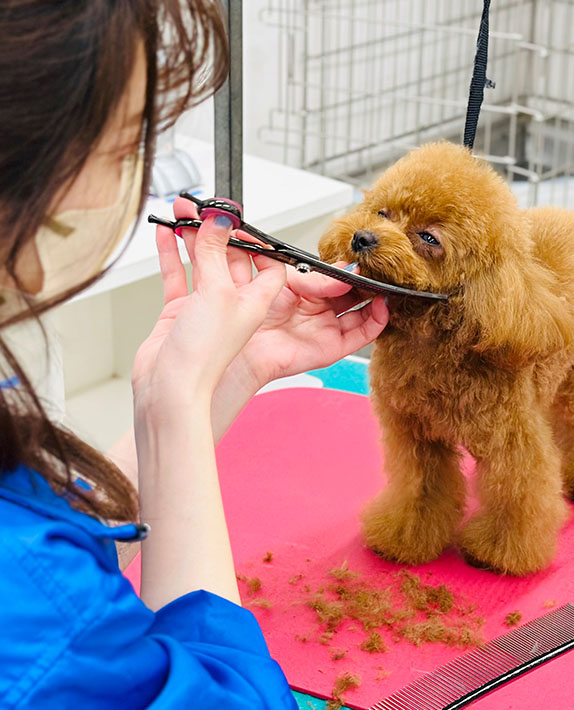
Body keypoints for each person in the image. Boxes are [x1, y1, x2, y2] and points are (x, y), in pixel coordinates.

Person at [0, 2, 388, 708]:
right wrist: (179, 407)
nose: (127, 182)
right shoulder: (31, 609)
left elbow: (63, 539)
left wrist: (203, 385)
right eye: (121, 149)